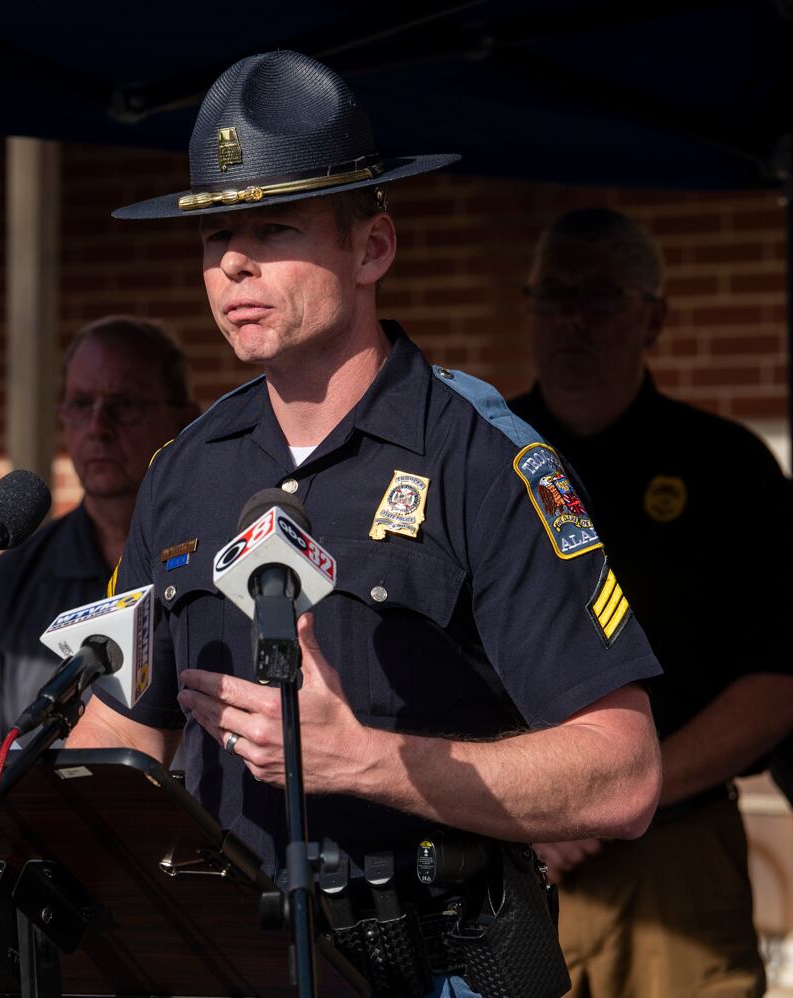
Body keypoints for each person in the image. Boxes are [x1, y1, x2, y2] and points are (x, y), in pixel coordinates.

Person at [67, 50, 664, 995]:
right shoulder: (181, 473)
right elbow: (126, 733)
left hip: (439, 964)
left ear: (372, 247)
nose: (232, 262)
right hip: (229, 961)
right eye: (215, 231)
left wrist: (370, 761)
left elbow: (622, 774)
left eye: (274, 227)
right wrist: (10, 816)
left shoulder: (483, 459)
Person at [508, 207, 793, 997]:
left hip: (678, 855)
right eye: (551, 295)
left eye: (599, 297)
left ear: (655, 317)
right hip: (510, 854)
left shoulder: (731, 468)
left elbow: (777, 685)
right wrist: (532, 806)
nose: (571, 318)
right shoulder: (474, 458)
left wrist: (613, 795)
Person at [0, 316, 197, 749]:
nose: (98, 427)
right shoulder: (9, 581)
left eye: (124, 404)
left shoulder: (209, 560)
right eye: (80, 404)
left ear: (185, 419)